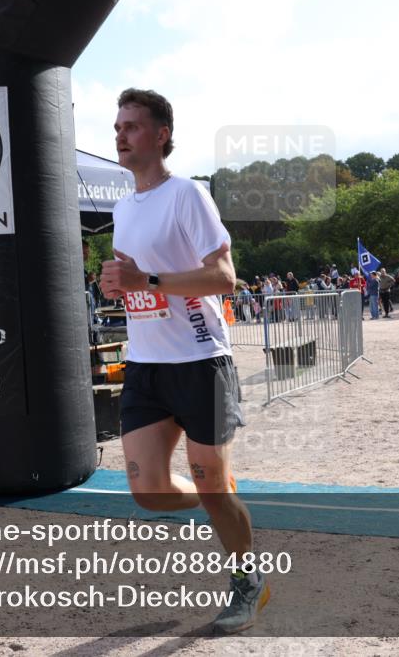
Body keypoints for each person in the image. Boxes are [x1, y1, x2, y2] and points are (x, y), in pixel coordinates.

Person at [101, 88, 267, 633]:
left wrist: (145, 280)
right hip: (146, 364)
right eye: (118, 125)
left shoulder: (188, 195)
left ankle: (249, 582)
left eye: (131, 126)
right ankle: (220, 497)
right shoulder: (122, 208)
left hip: (200, 360)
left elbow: (224, 278)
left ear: (161, 135)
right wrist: (119, 286)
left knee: (213, 487)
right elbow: (139, 283)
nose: (120, 134)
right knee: (148, 491)